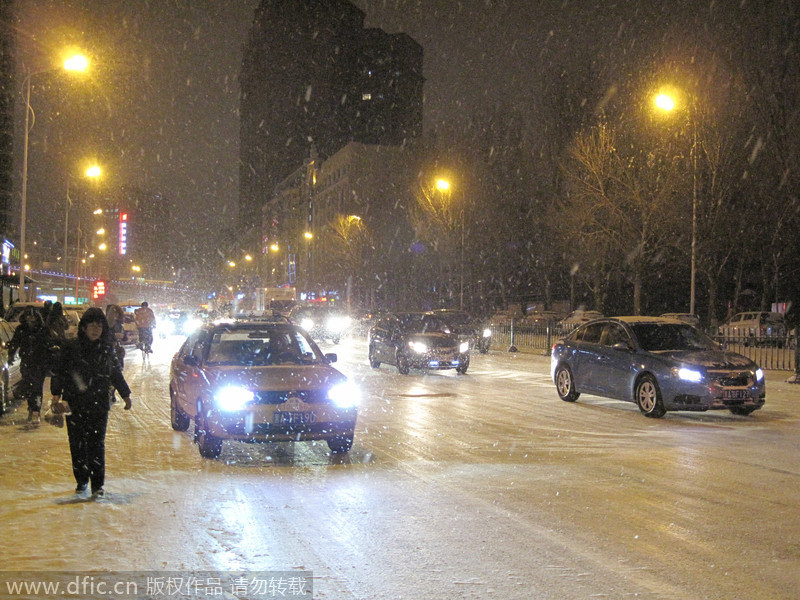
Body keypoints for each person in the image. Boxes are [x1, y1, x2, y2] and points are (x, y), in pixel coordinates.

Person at [50, 308, 132, 497]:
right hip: (74, 403)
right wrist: (56, 394)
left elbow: (115, 374)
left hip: (99, 404)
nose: (96, 329)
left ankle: (97, 485)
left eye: (99, 325)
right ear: (84, 327)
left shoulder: (107, 349)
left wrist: (126, 394)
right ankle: (81, 480)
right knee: (77, 443)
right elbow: (60, 372)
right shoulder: (71, 348)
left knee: (96, 443)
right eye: (92, 325)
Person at [7, 306, 50, 423]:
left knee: (37, 386)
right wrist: (11, 355)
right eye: (28, 316)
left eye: (32, 316)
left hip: (40, 362)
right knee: (29, 386)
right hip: (27, 362)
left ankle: (36, 410)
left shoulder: (42, 329)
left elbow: (48, 345)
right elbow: (14, 343)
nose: (30, 319)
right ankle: (32, 408)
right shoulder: (21, 329)